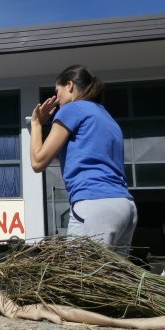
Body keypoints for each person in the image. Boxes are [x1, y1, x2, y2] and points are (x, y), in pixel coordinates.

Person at [30, 65, 137, 254]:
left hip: (95, 203)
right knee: (111, 279)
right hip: (125, 206)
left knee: (78, 280)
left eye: (57, 92)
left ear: (69, 86)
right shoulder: (105, 117)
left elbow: (38, 162)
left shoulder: (72, 109)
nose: (57, 101)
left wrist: (37, 123)